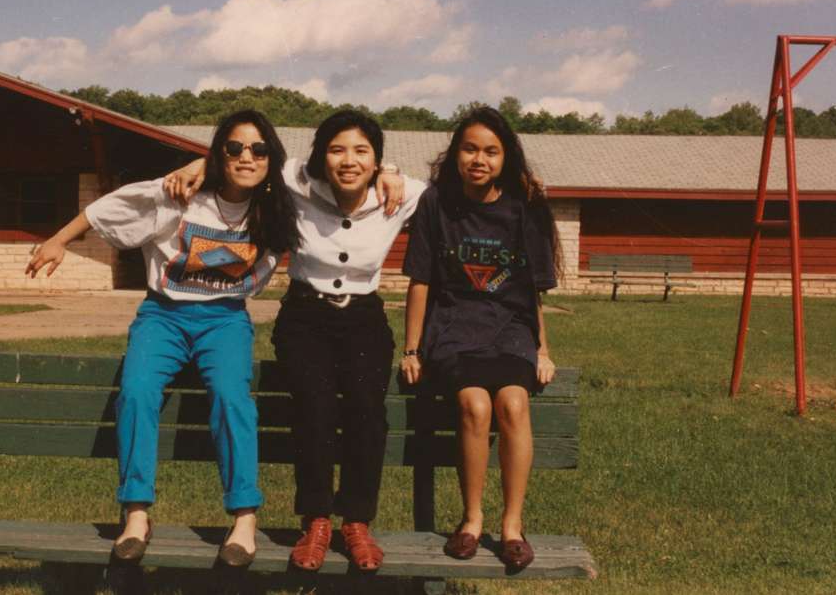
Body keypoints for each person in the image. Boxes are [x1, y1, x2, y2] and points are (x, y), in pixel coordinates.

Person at [25, 109, 299, 566]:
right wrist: (59, 240)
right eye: (233, 148)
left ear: (271, 158)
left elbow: (332, 174)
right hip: (164, 316)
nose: (246, 156)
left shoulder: (275, 206)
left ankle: (244, 519)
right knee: (135, 392)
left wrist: (388, 174)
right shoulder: (179, 194)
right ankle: (135, 514)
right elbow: (106, 207)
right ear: (218, 153)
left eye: (258, 149)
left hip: (225, 320)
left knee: (233, 397)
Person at [165, 109, 420, 572]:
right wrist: (196, 165)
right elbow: (241, 157)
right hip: (305, 316)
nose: (349, 161)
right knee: (315, 407)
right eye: (337, 149)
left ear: (377, 159)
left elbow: (461, 197)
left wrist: (394, 172)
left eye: (362, 152)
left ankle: (357, 523)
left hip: (363, 318)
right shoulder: (295, 179)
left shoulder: (400, 193)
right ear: (321, 154)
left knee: (368, 411)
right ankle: (316, 521)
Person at [400, 106, 560, 570]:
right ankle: (471, 520)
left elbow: (530, 289)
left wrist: (542, 349)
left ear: (506, 157)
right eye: (470, 148)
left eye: (491, 151)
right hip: (452, 326)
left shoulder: (524, 205)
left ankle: (512, 526)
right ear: (455, 154)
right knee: (474, 404)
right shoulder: (436, 202)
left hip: (510, 328)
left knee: (513, 403)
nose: (479, 159)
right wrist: (412, 348)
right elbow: (421, 280)